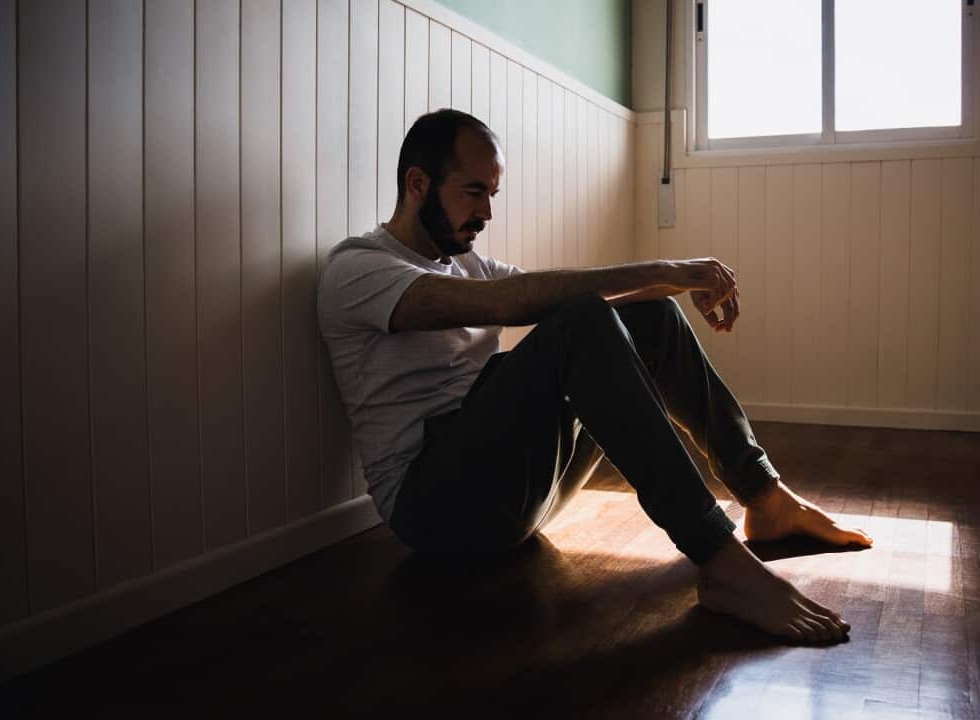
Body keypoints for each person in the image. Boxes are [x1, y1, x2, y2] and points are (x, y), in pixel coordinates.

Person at [317, 109, 872, 645]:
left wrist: (679, 286)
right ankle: (720, 558)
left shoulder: (468, 263)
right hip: (437, 509)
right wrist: (669, 270)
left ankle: (763, 496)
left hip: (517, 494)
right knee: (581, 318)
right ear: (418, 183)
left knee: (649, 314)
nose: (487, 212)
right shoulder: (360, 269)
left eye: (493, 193)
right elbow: (514, 301)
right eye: (473, 191)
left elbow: (574, 291)